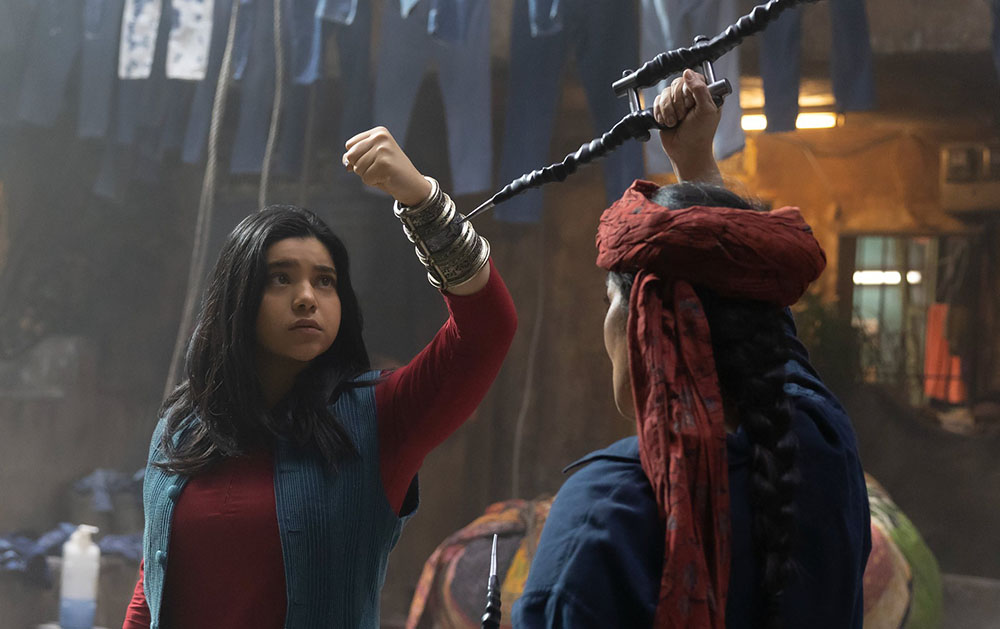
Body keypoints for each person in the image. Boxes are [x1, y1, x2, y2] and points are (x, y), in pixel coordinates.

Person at [511, 70, 871, 628]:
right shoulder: (823, 445)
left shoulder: (605, 514)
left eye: (608, 302)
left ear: (644, 321)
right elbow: (766, 325)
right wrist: (697, 164)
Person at [122, 128, 517, 628]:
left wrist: (422, 200)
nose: (307, 297)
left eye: (324, 281)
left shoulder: (379, 418)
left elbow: (487, 330)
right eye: (281, 278)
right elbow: (151, 588)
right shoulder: (181, 428)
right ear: (236, 299)